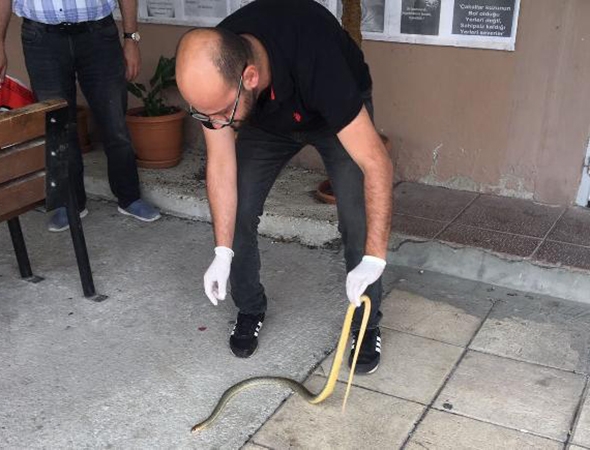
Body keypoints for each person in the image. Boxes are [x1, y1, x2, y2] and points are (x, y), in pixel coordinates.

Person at [176, 0, 393, 374]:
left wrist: (374, 256)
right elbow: (222, 164)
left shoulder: (317, 58)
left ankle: (366, 321)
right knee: (239, 208)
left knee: (356, 215)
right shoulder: (219, 64)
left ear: (249, 77)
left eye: (219, 114)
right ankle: (249, 307)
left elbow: (377, 163)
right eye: (203, 114)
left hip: (331, 115)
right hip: (268, 121)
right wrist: (222, 251)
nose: (213, 123)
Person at [0, 0, 161, 232]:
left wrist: (131, 38)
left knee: (114, 121)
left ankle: (129, 197)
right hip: (41, 39)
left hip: (98, 36)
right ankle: (71, 203)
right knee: (58, 126)